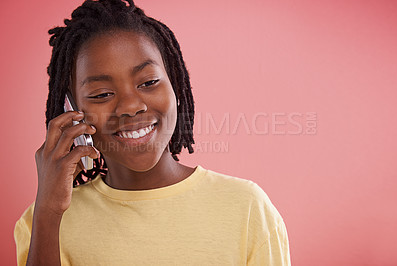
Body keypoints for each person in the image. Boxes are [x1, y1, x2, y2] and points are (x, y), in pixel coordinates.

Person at [13, 0, 291, 265]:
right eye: (102, 94)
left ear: (177, 85)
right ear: (70, 108)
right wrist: (48, 212)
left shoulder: (246, 207)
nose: (132, 106)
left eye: (149, 82)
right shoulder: (44, 221)